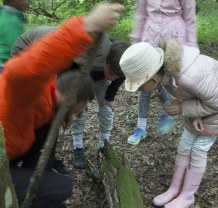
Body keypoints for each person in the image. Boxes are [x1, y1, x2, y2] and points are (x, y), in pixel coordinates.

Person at [0, 3, 125, 208]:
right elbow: (22, 70)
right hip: (6, 149)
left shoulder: (50, 91)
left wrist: (63, 113)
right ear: (68, 99)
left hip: (12, 145)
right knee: (61, 188)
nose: (76, 115)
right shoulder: (27, 89)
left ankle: (28, 180)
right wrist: (87, 26)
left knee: (50, 131)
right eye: (76, 110)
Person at [120, 40, 218, 208]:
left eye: (139, 86)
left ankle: (187, 195)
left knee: (198, 149)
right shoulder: (168, 74)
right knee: (185, 146)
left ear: (153, 78)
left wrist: (183, 108)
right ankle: (175, 188)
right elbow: (199, 95)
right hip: (203, 107)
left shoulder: (189, 77)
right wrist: (194, 112)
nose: (140, 91)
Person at [11, 28, 130, 171]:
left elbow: (119, 75)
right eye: (110, 72)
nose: (112, 77)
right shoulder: (83, 53)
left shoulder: (119, 56)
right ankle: (71, 148)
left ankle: (103, 148)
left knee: (104, 110)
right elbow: (64, 76)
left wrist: (109, 96)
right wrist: (76, 100)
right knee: (48, 112)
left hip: (76, 74)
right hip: (37, 64)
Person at [127, 0, 198, 145]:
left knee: (166, 82)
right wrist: (135, 45)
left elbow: (190, 18)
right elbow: (141, 15)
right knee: (144, 81)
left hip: (173, 41)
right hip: (150, 38)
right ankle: (141, 127)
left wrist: (192, 49)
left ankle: (169, 111)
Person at [0, 0, 27, 72]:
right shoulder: (10, 18)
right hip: (5, 66)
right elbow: (14, 46)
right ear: (12, 1)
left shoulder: (13, 15)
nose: (25, 3)